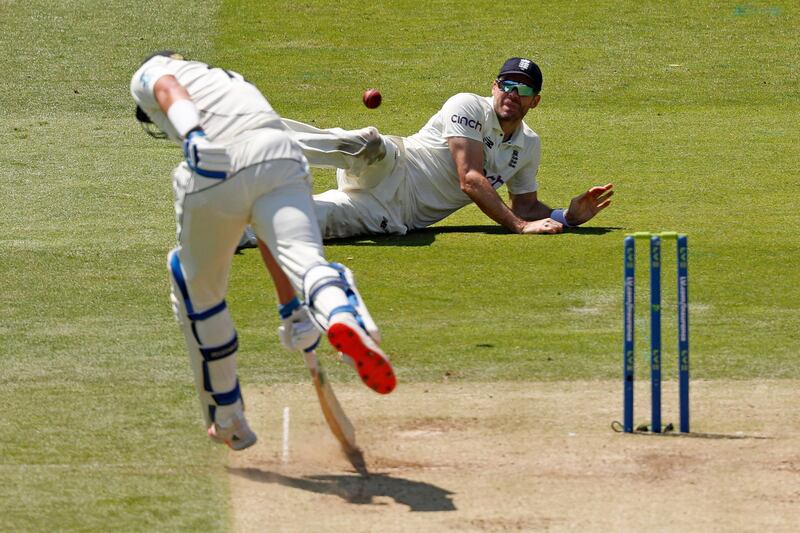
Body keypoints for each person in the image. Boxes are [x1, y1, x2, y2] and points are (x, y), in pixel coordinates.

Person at [130, 51, 396, 452]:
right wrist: (290, 308)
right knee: (306, 259)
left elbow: (167, 88)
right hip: (280, 154)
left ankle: (228, 417)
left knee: (193, 285)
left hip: (215, 165)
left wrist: (194, 136)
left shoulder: (156, 71)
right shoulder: (230, 83)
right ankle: (346, 317)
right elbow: (266, 231)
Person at [280, 57, 613, 239]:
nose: (512, 93)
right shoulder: (467, 105)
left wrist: (565, 217)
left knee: (305, 219)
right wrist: (519, 227)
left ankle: (234, 225)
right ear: (494, 87)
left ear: (535, 101)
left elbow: (524, 206)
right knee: (367, 142)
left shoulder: (529, 145)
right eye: (506, 85)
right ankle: (260, 141)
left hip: (395, 216)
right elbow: (469, 179)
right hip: (395, 166)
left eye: (523, 89)